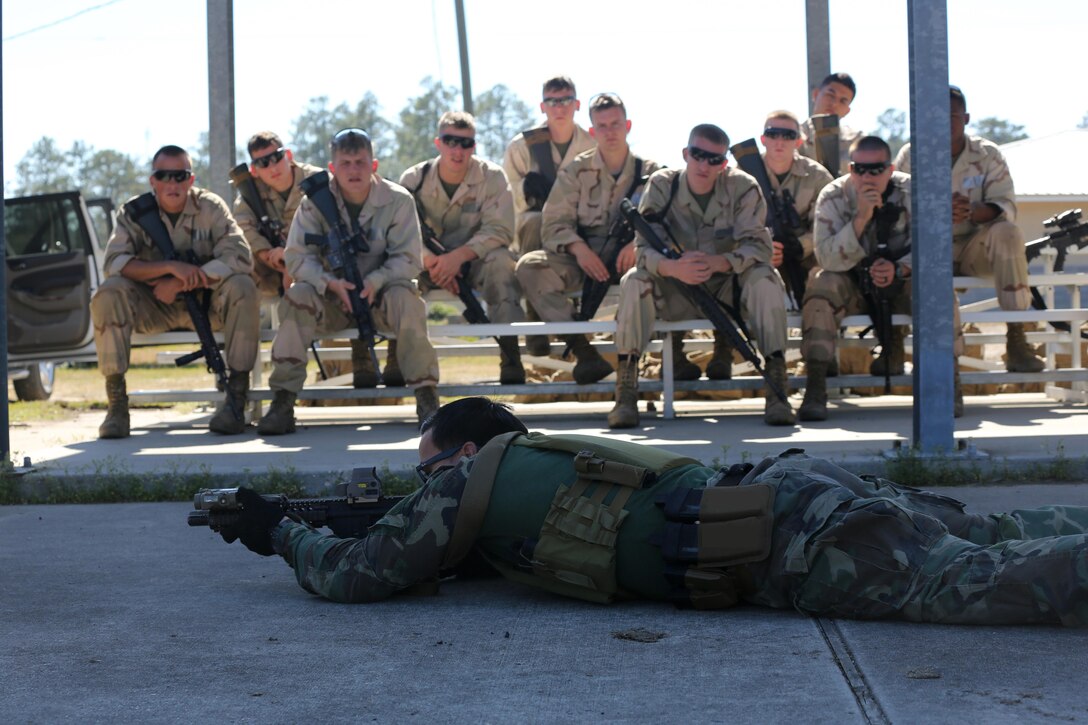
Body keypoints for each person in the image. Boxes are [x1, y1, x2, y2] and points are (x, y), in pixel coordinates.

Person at [222, 396, 1088, 627]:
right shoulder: (544, 465)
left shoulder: (466, 484)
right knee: (992, 533)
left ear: (459, 457)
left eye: (430, 469)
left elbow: (360, 574)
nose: (430, 483)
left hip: (785, 544)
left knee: (984, 586)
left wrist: (281, 533)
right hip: (790, 490)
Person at [608, 124, 795, 429]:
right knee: (634, 280)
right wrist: (673, 268)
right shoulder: (662, 185)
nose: (704, 165)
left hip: (725, 291)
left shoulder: (743, 187)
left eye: (715, 159)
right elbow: (642, 251)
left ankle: (777, 386)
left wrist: (720, 262)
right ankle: (626, 391)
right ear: (686, 154)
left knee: (765, 277)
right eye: (698, 155)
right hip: (675, 290)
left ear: (725, 163)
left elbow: (760, 247)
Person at [257, 129, 440, 435]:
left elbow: (409, 259)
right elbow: (297, 257)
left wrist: (376, 280)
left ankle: (426, 399)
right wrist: (329, 283)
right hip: (332, 300)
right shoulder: (315, 202)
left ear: (374, 165)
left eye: (360, 162)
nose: (353, 170)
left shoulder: (397, 200)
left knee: (407, 297)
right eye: (345, 163)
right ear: (332, 168)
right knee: (297, 294)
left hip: (380, 299)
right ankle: (283, 402)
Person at [91, 145, 259, 438]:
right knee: (108, 292)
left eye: (179, 175)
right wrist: (169, 267)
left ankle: (236, 398)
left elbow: (241, 256)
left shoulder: (211, 207)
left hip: (209, 308)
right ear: (152, 180)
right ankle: (117, 405)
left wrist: (184, 281)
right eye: (164, 175)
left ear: (190, 180)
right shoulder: (135, 212)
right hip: (155, 307)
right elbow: (114, 263)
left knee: (243, 285)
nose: (172, 183)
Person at [799, 135, 964, 421]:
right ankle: (815, 386)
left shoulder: (913, 191)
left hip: (903, 282)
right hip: (853, 283)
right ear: (851, 169)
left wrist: (901, 268)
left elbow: (936, 246)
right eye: (860, 169)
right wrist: (861, 218)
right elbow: (826, 256)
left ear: (889, 169)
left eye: (876, 170)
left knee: (938, 289)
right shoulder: (833, 196)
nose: (868, 177)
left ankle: (948, 385)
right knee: (821, 282)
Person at [894, 85, 1045, 373]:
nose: (943, 121)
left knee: (1008, 233)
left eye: (951, 114)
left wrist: (974, 211)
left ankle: (1016, 339)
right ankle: (911, 354)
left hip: (976, 245)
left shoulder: (987, 154)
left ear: (965, 118)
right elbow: (897, 208)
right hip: (927, 250)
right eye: (935, 115)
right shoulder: (912, 154)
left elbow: (1006, 206)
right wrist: (936, 212)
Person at [515, 93, 662, 384]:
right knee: (530, 266)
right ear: (592, 131)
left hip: (634, 262)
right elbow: (553, 222)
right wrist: (578, 248)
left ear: (628, 125)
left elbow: (667, 223)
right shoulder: (575, 171)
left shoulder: (652, 173)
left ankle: (657, 360)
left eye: (616, 124)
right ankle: (584, 352)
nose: (610, 132)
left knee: (657, 273)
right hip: (584, 261)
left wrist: (637, 244)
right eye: (602, 126)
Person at [399, 111, 525, 385]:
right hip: (426, 263)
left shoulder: (492, 177)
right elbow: (399, 230)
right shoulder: (414, 180)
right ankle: (396, 358)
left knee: (502, 263)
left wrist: (456, 259)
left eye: (465, 143)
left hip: (474, 261)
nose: (458, 150)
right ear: (438, 143)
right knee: (397, 273)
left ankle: (510, 354)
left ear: (474, 146)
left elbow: (501, 230)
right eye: (450, 141)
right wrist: (432, 260)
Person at [503, 76, 596, 354]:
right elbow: (507, 201)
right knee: (533, 221)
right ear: (543, 106)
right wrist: (526, 189)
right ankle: (535, 320)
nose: (559, 107)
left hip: (582, 228)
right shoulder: (524, 147)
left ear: (577, 104)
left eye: (566, 100)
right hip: (535, 235)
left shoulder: (592, 145)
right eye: (552, 101)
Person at [232, 131, 323, 297]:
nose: (272, 167)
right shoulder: (250, 196)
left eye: (277, 157)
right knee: (235, 267)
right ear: (254, 170)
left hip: (317, 258)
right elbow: (242, 227)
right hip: (273, 266)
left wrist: (293, 258)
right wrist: (267, 254)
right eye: (263, 163)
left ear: (288, 155)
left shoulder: (317, 180)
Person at [758, 110, 834, 284]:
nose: (779, 141)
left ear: (798, 142)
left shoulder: (818, 177)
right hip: (757, 255)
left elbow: (830, 225)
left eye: (788, 135)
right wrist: (760, 249)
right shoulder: (743, 173)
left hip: (806, 258)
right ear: (763, 139)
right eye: (772, 134)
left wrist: (800, 246)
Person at [799, 72, 863, 175]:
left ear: (847, 111)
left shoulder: (857, 141)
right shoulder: (793, 135)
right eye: (830, 95)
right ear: (815, 95)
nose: (834, 103)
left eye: (843, 101)